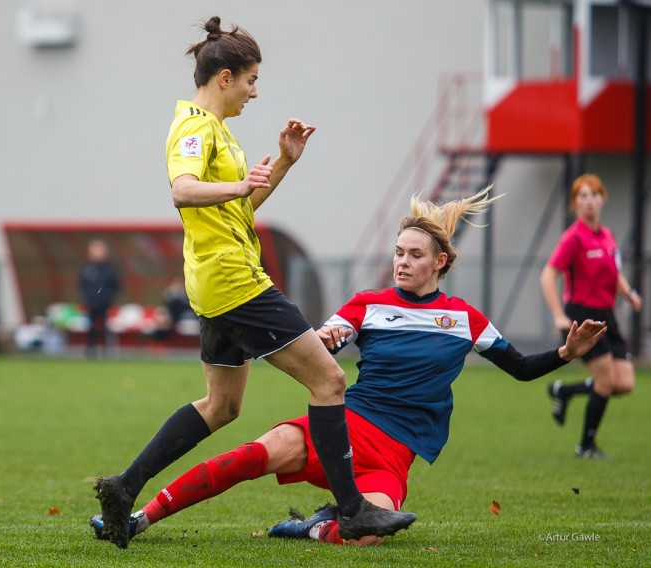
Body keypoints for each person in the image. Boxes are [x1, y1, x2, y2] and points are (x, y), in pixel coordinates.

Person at [89, 187, 606, 547]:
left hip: (394, 453)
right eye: (398, 252)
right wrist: (327, 338)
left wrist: (565, 355)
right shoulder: (368, 304)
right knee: (250, 456)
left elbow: (518, 368)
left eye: (415, 255)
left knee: (369, 538)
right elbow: (318, 358)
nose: (403, 262)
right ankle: (138, 519)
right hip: (346, 423)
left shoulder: (465, 318)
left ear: (440, 262)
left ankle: (313, 526)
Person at [92, 15, 416, 549]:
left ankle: (125, 488)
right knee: (330, 381)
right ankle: (354, 510)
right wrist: (241, 181)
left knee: (222, 407)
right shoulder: (195, 126)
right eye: (251, 80)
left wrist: (283, 165)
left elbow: (235, 210)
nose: (255, 91)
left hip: (216, 284)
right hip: (236, 282)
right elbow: (183, 190)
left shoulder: (220, 132)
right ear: (224, 77)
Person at [540, 173, 640, 459]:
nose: (589, 200)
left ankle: (564, 391)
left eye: (593, 194)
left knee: (624, 384)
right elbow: (547, 276)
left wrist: (629, 293)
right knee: (606, 382)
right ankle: (586, 446)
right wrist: (558, 315)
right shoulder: (573, 238)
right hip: (582, 316)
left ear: (602, 198)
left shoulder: (608, 236)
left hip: (607, 315)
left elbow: (615, 272)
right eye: (582, 196)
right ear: (575, 203)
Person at [78, 239, 121, 357]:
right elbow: (82, 285)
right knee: (90, 328)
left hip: (105, 304)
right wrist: (88, 297)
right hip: (91, 303)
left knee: (105, 327)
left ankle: (107, 351)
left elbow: (114, 285)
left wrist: (105, 297)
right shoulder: (87, 267)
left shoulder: (109, 268)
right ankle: (90, 350)